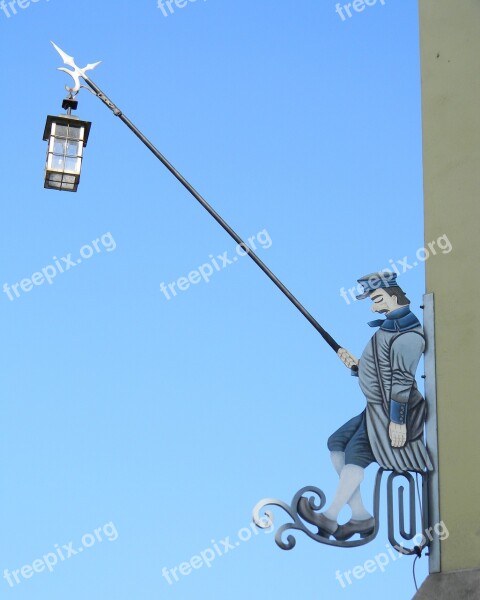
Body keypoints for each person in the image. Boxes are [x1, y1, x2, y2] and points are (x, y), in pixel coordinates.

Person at [298, 272, 433, 540]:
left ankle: (330, 516)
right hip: (375, 408)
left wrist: (397, 421)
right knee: (336, 443)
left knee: (355, 455)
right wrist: (357, 366)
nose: (373, 306)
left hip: (392, 412)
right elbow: (382, 372)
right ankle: (360, 516)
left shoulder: (409, 335)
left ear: (395, 297)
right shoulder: (389, 329)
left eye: (377, 299)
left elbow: (402, 379)